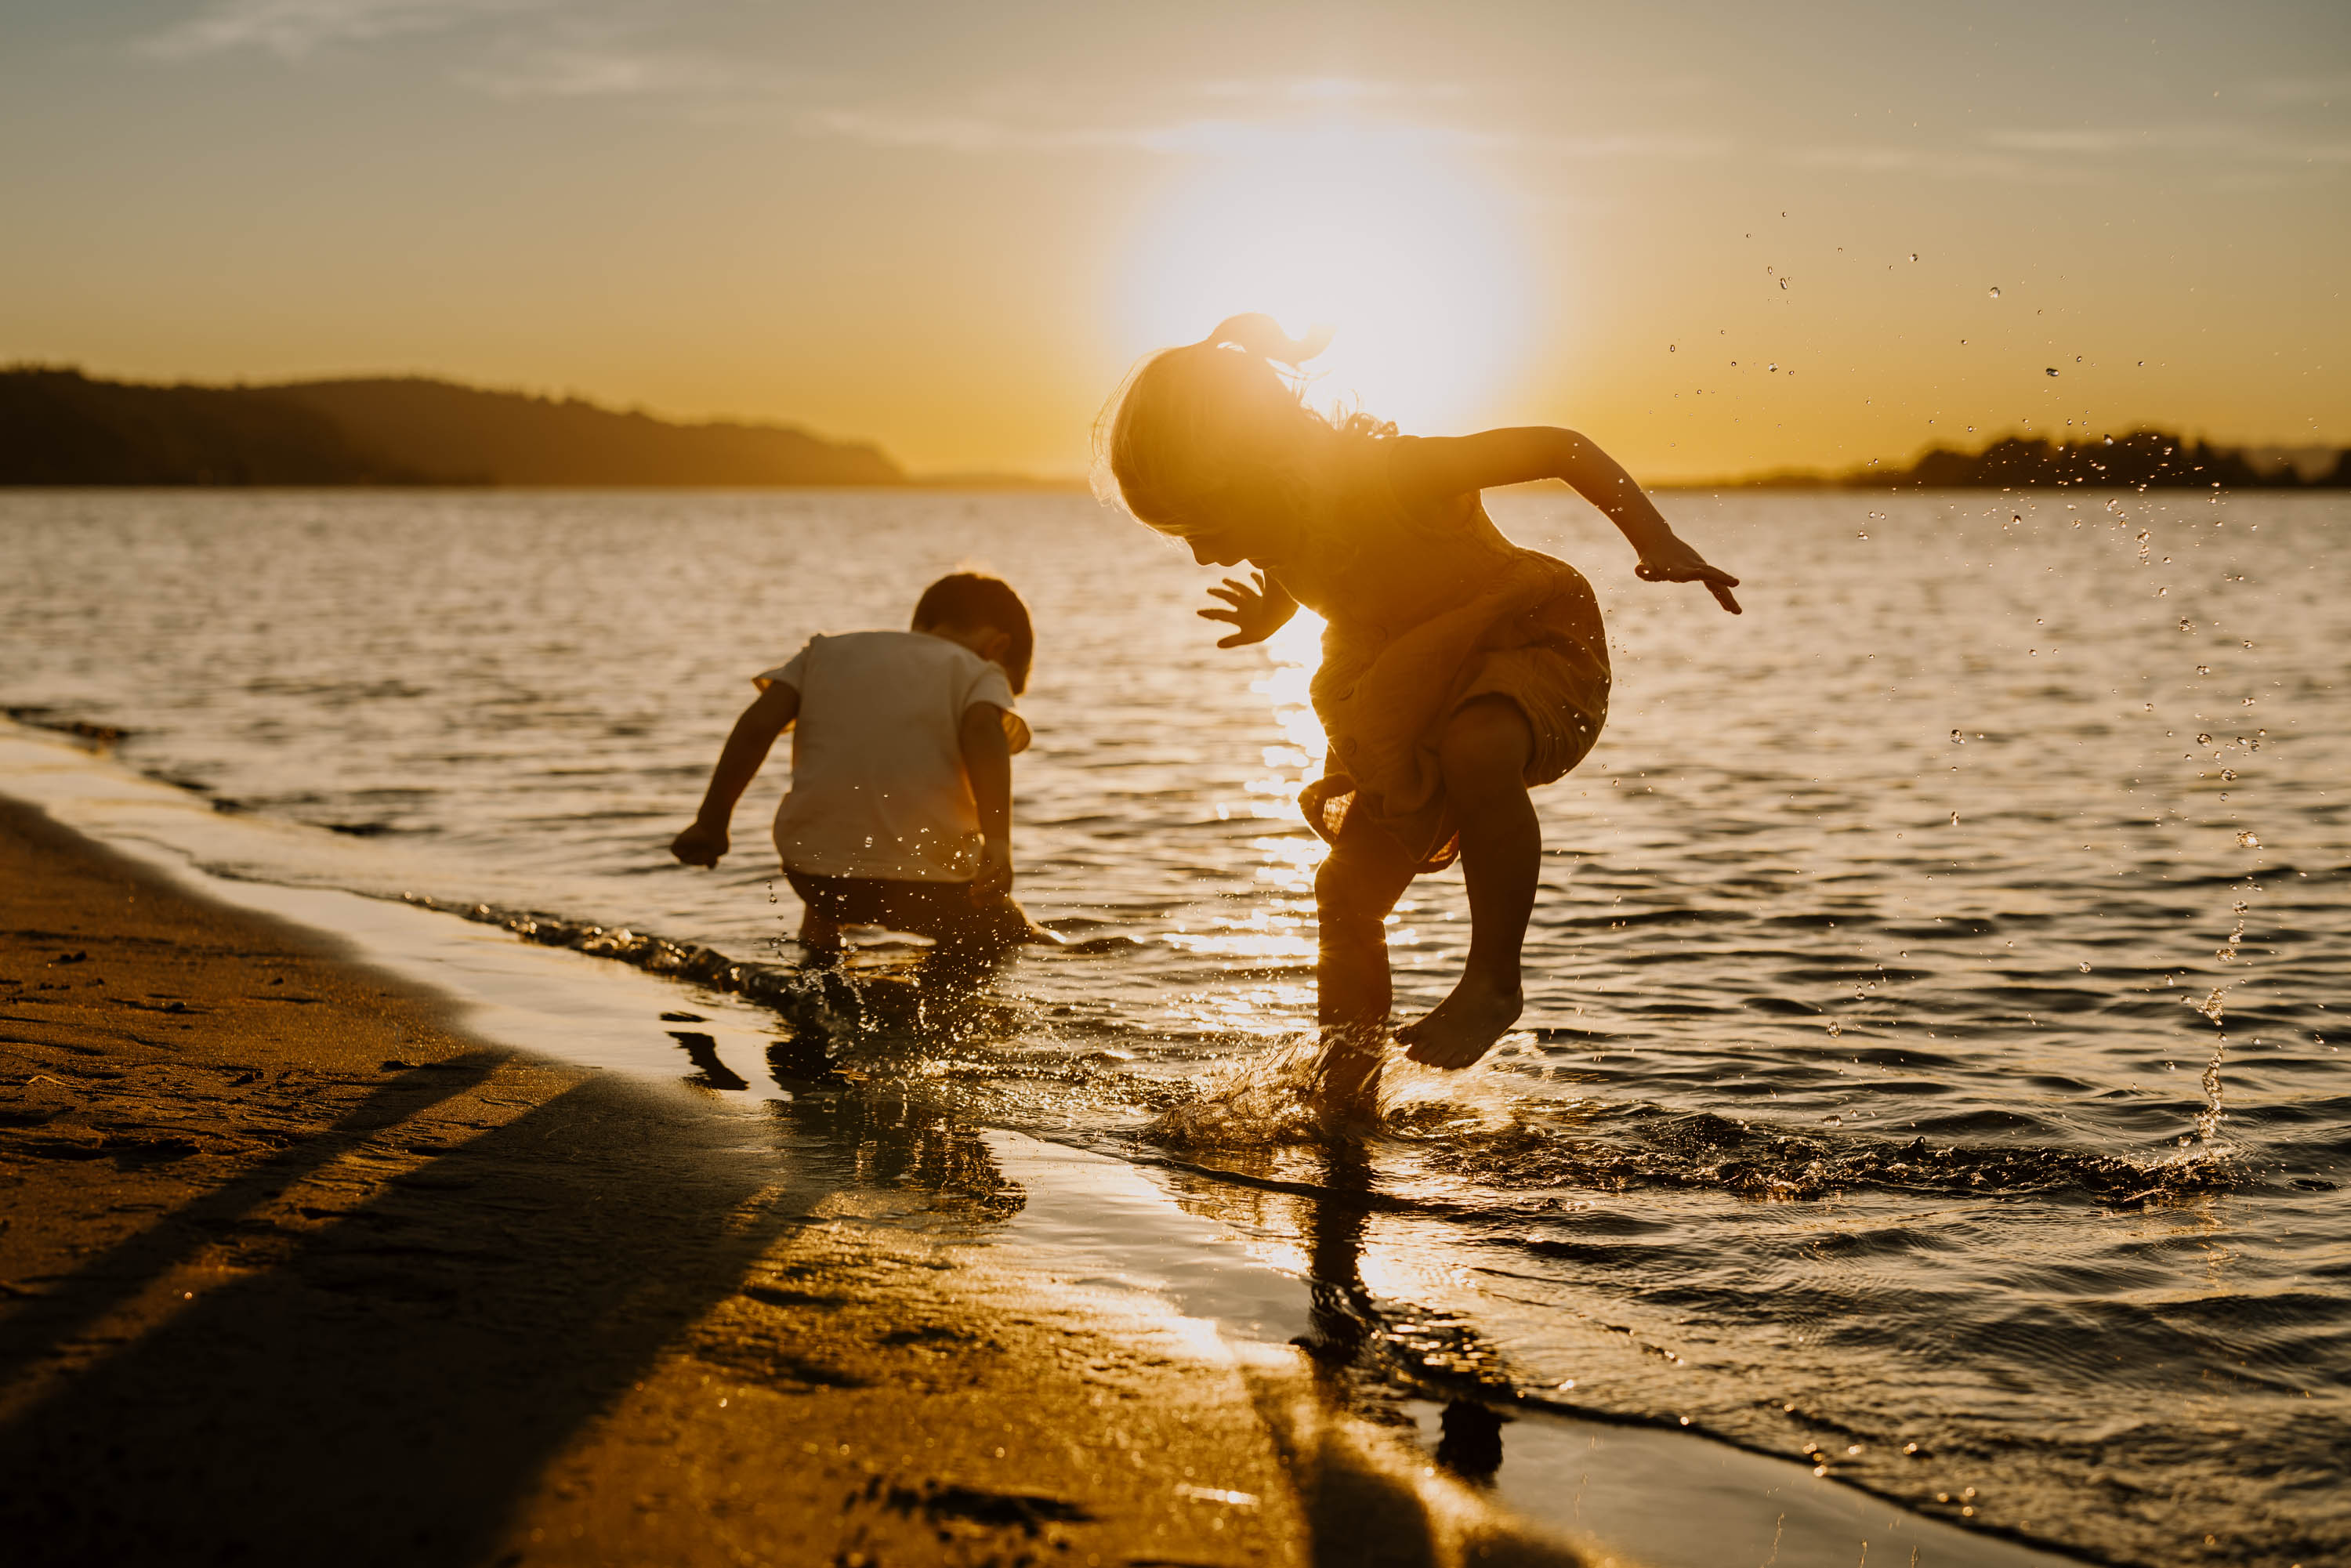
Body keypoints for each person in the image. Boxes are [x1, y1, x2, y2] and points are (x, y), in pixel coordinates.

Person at [1099, 314, 1741, 1106]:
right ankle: (1348, 1081)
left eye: (1209, 527)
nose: (1202, 554)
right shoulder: (1285, 528)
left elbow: (1558, 448)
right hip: (1402, 698)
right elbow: (1320, 562)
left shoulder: (1393, 475)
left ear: (1260, 468)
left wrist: (1655, 537)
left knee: (1478, 745)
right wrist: (1274, 610)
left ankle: (1493, 983)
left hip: (1528, 650)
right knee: (1346, 892)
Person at [669, 571, 1049, 971]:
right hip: (933, 888)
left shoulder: (821, 654)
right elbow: (982, 737)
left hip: (815, 878)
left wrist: (711, 821)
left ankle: (821, 959)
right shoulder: (977, 670)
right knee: (1005, 929)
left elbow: (757, 727)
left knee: (828, 893)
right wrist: (999, 844)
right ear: (997, 647)